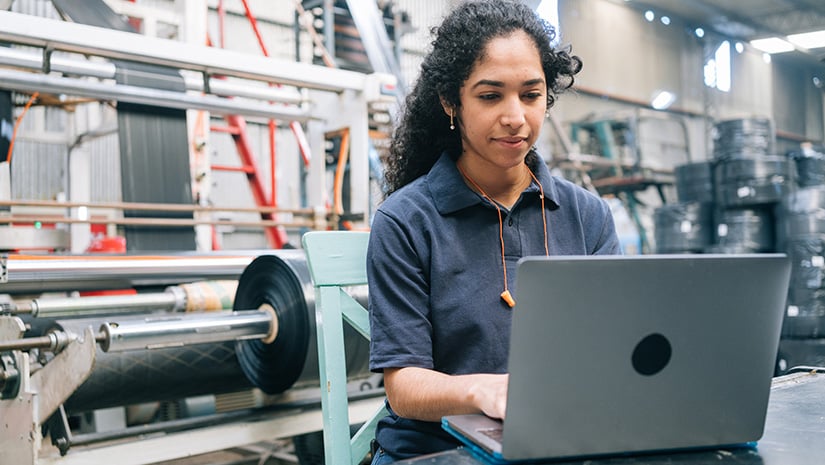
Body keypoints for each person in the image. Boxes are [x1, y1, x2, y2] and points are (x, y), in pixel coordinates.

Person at [366, 0, 622, 462]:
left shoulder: (588, 216)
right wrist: (485, 391)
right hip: (435, 451)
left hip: (558, 441)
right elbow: (403, 386)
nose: (515, 117)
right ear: (451, 101)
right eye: (490, 96)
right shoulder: (406, 222)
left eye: (530, 94)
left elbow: (613, 347)